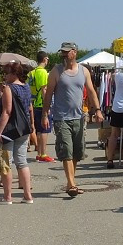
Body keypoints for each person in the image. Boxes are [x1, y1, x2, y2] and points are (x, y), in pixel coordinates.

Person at [44, 41, 103, 196]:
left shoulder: (83, 71)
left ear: (74, 52)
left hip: (78, 117)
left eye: (67, 51)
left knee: (77, 153)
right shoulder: (56, 71)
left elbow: (91, 92)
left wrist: (97, 110)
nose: (64, 54)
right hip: (61, 118)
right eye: (62, 52)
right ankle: (71, 184)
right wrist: (45, 114)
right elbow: (49, 94)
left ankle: (72, 182)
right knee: (67, 151)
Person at [0, 61, 35, 204]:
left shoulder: (9, 88)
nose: (4, 76)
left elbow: (7, 111)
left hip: (9, 129)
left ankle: (7, 197)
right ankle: (28, 195)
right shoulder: (26, 87)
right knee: (22, 161)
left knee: (6, 163)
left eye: (7, 73)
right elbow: (29, 107)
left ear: (14, 74)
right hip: (23, 128)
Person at [28, 51, 54, 162]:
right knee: (45, 130)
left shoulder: (32, 72)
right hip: (41, 103)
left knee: (38, 130)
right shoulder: (42, 72)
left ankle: (39, 153)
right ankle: (43, 153)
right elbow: (44, 89)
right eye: (47, 59)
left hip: (33, 103)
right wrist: (47, 105)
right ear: (44, 59)